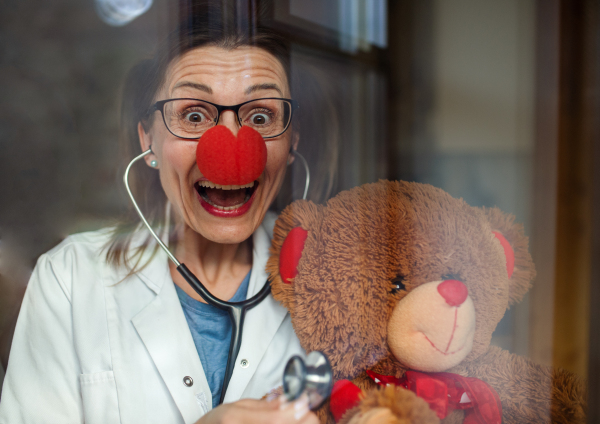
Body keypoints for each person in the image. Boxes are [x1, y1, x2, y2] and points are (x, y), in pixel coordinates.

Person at [0, 4, 338, 424]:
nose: (231, 151)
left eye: (260, 115)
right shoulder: (68, 279)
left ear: (291, 143)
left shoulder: (334, 282)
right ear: (149, 140)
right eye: (194, 115)